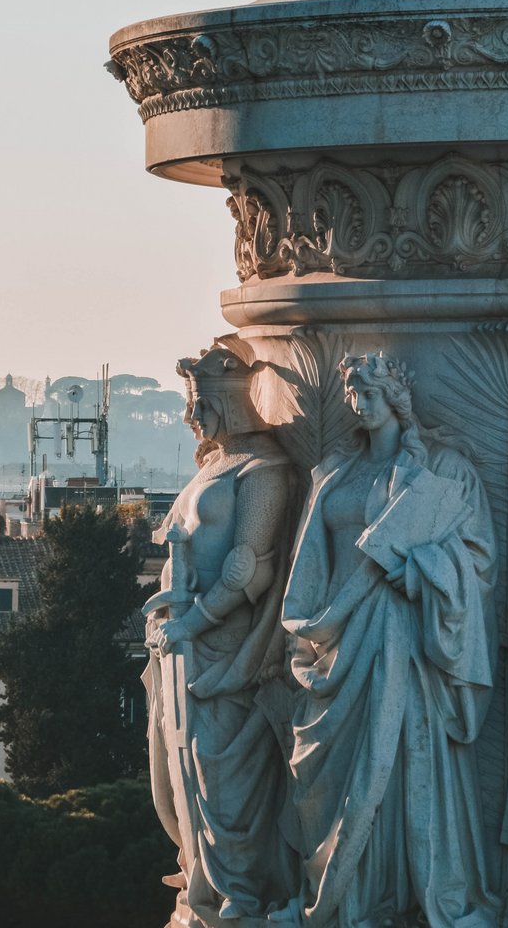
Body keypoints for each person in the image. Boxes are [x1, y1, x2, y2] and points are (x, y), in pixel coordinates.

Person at [282, 351, 499, 928]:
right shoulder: (334, 471)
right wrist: (309, 629)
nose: (359, 402)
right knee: (333, 777)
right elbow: (308, 564)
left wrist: (419, 571)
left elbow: (477, 559)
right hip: (336, 636)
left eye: (369, 391)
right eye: (352, 391)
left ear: (398, 399)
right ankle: (349, 901)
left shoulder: (442, 472)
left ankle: (403, 896)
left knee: (404, 763)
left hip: (404, 636)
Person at [145, 338, 300, 926]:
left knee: (220, 776)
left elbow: (246, 569)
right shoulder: (215, 466)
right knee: (175, 774)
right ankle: (203, 886)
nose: (192, 417)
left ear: (229, 403)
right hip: (178, 648)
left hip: (223, 652)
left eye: (201, 404)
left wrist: (191, 621)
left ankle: (240, 897)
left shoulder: (267, 472)